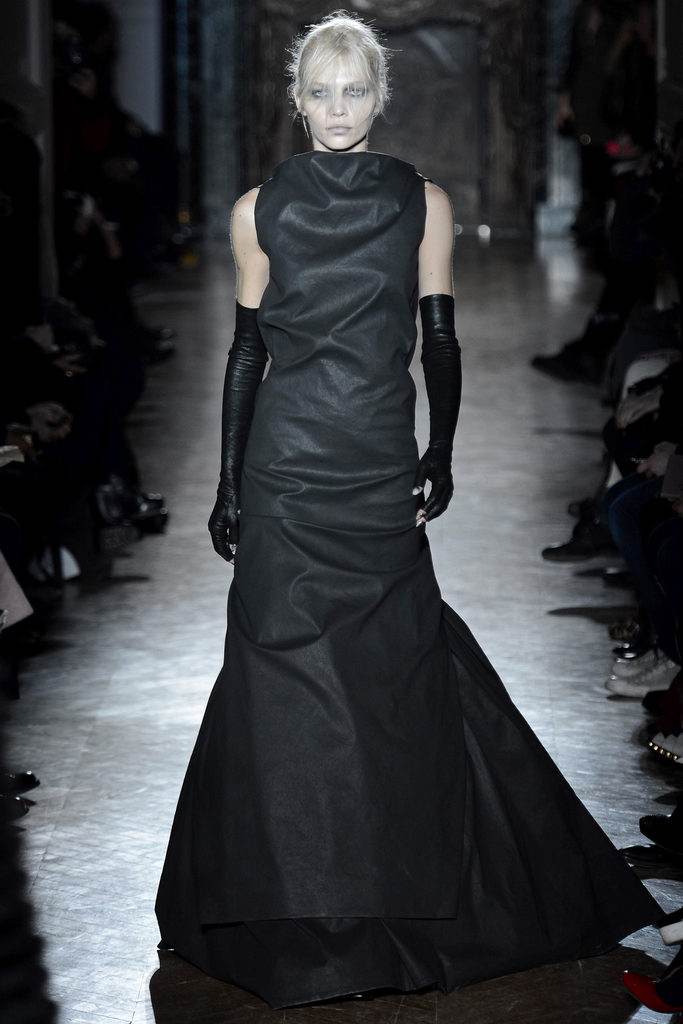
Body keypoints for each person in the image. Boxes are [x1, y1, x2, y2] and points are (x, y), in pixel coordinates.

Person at [154, 10, 663, 1010]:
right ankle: (286, 914)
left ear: (377, 96)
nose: (337, 108)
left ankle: (390, 895)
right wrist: (227, 482)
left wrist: (440, 448)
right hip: (286, 469)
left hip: (376, 461)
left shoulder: (422, 203)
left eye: (354, 91)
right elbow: (246, 351)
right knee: (276, 677)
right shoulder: (256, 210)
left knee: (387, 675)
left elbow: (440, 338)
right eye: (320, 92)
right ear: (297, 100)